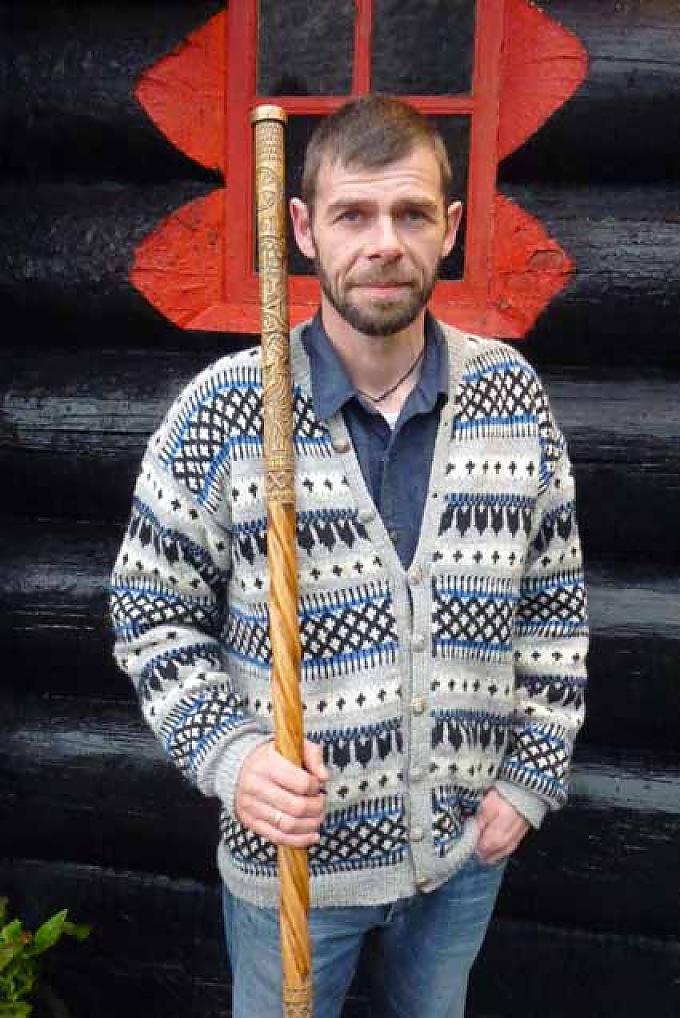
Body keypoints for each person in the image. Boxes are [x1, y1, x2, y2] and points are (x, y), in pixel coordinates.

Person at [110, 96, 588, 1017]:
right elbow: (148, 611)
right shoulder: (228, 411)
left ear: (449, 230)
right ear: (301, 228)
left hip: (460, 863)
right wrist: (234, 757)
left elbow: (555, 610)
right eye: (352, 215)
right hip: (291, 875)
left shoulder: (511, 399)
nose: (383, 243)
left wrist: (529, 780)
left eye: (410, 214)